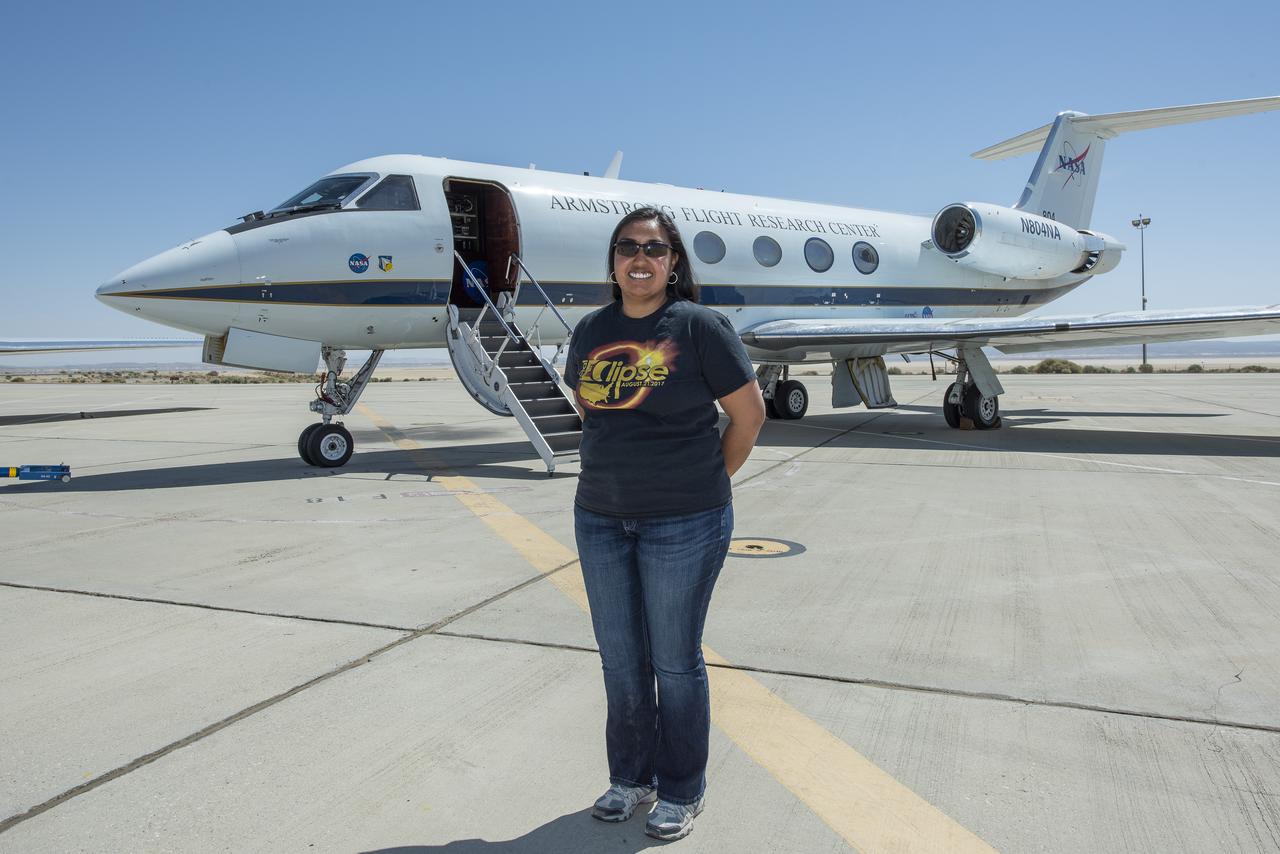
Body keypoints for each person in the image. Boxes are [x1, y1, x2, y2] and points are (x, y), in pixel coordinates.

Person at [564, 207, 766, 841]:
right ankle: (631, 777)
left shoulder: (700, 327)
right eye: (627, 248)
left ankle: (682, 787)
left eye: (654, 248)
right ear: (615, 261)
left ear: (673, 261)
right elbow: (588, 408)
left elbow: (749, 418)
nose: (639, 258)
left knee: (675, 661)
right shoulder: (592, 330)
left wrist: (702, 488)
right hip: (599, 516)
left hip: (685, 520)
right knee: (621, 660)